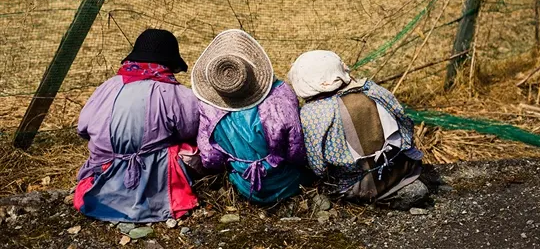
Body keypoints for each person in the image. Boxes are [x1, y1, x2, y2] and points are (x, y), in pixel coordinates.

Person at [75, 29, 201, 222]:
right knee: (191, 148)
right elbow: (190, 130)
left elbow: (82, 129)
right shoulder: (176, 93)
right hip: (154, 180)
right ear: (170, 63)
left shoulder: (107, 87)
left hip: (101, 174)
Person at [288, 50, 427, 208]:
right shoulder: (372, 89)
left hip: (359, 187)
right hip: (404, 168)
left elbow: (318, 167)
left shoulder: (312, 114)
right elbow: (406, 127)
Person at [193, 29, 309, 204]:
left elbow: (211, 159)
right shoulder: (279, 95)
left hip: (244, 185)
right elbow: (296, 150)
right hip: (287, 182)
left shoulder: (208, 109)